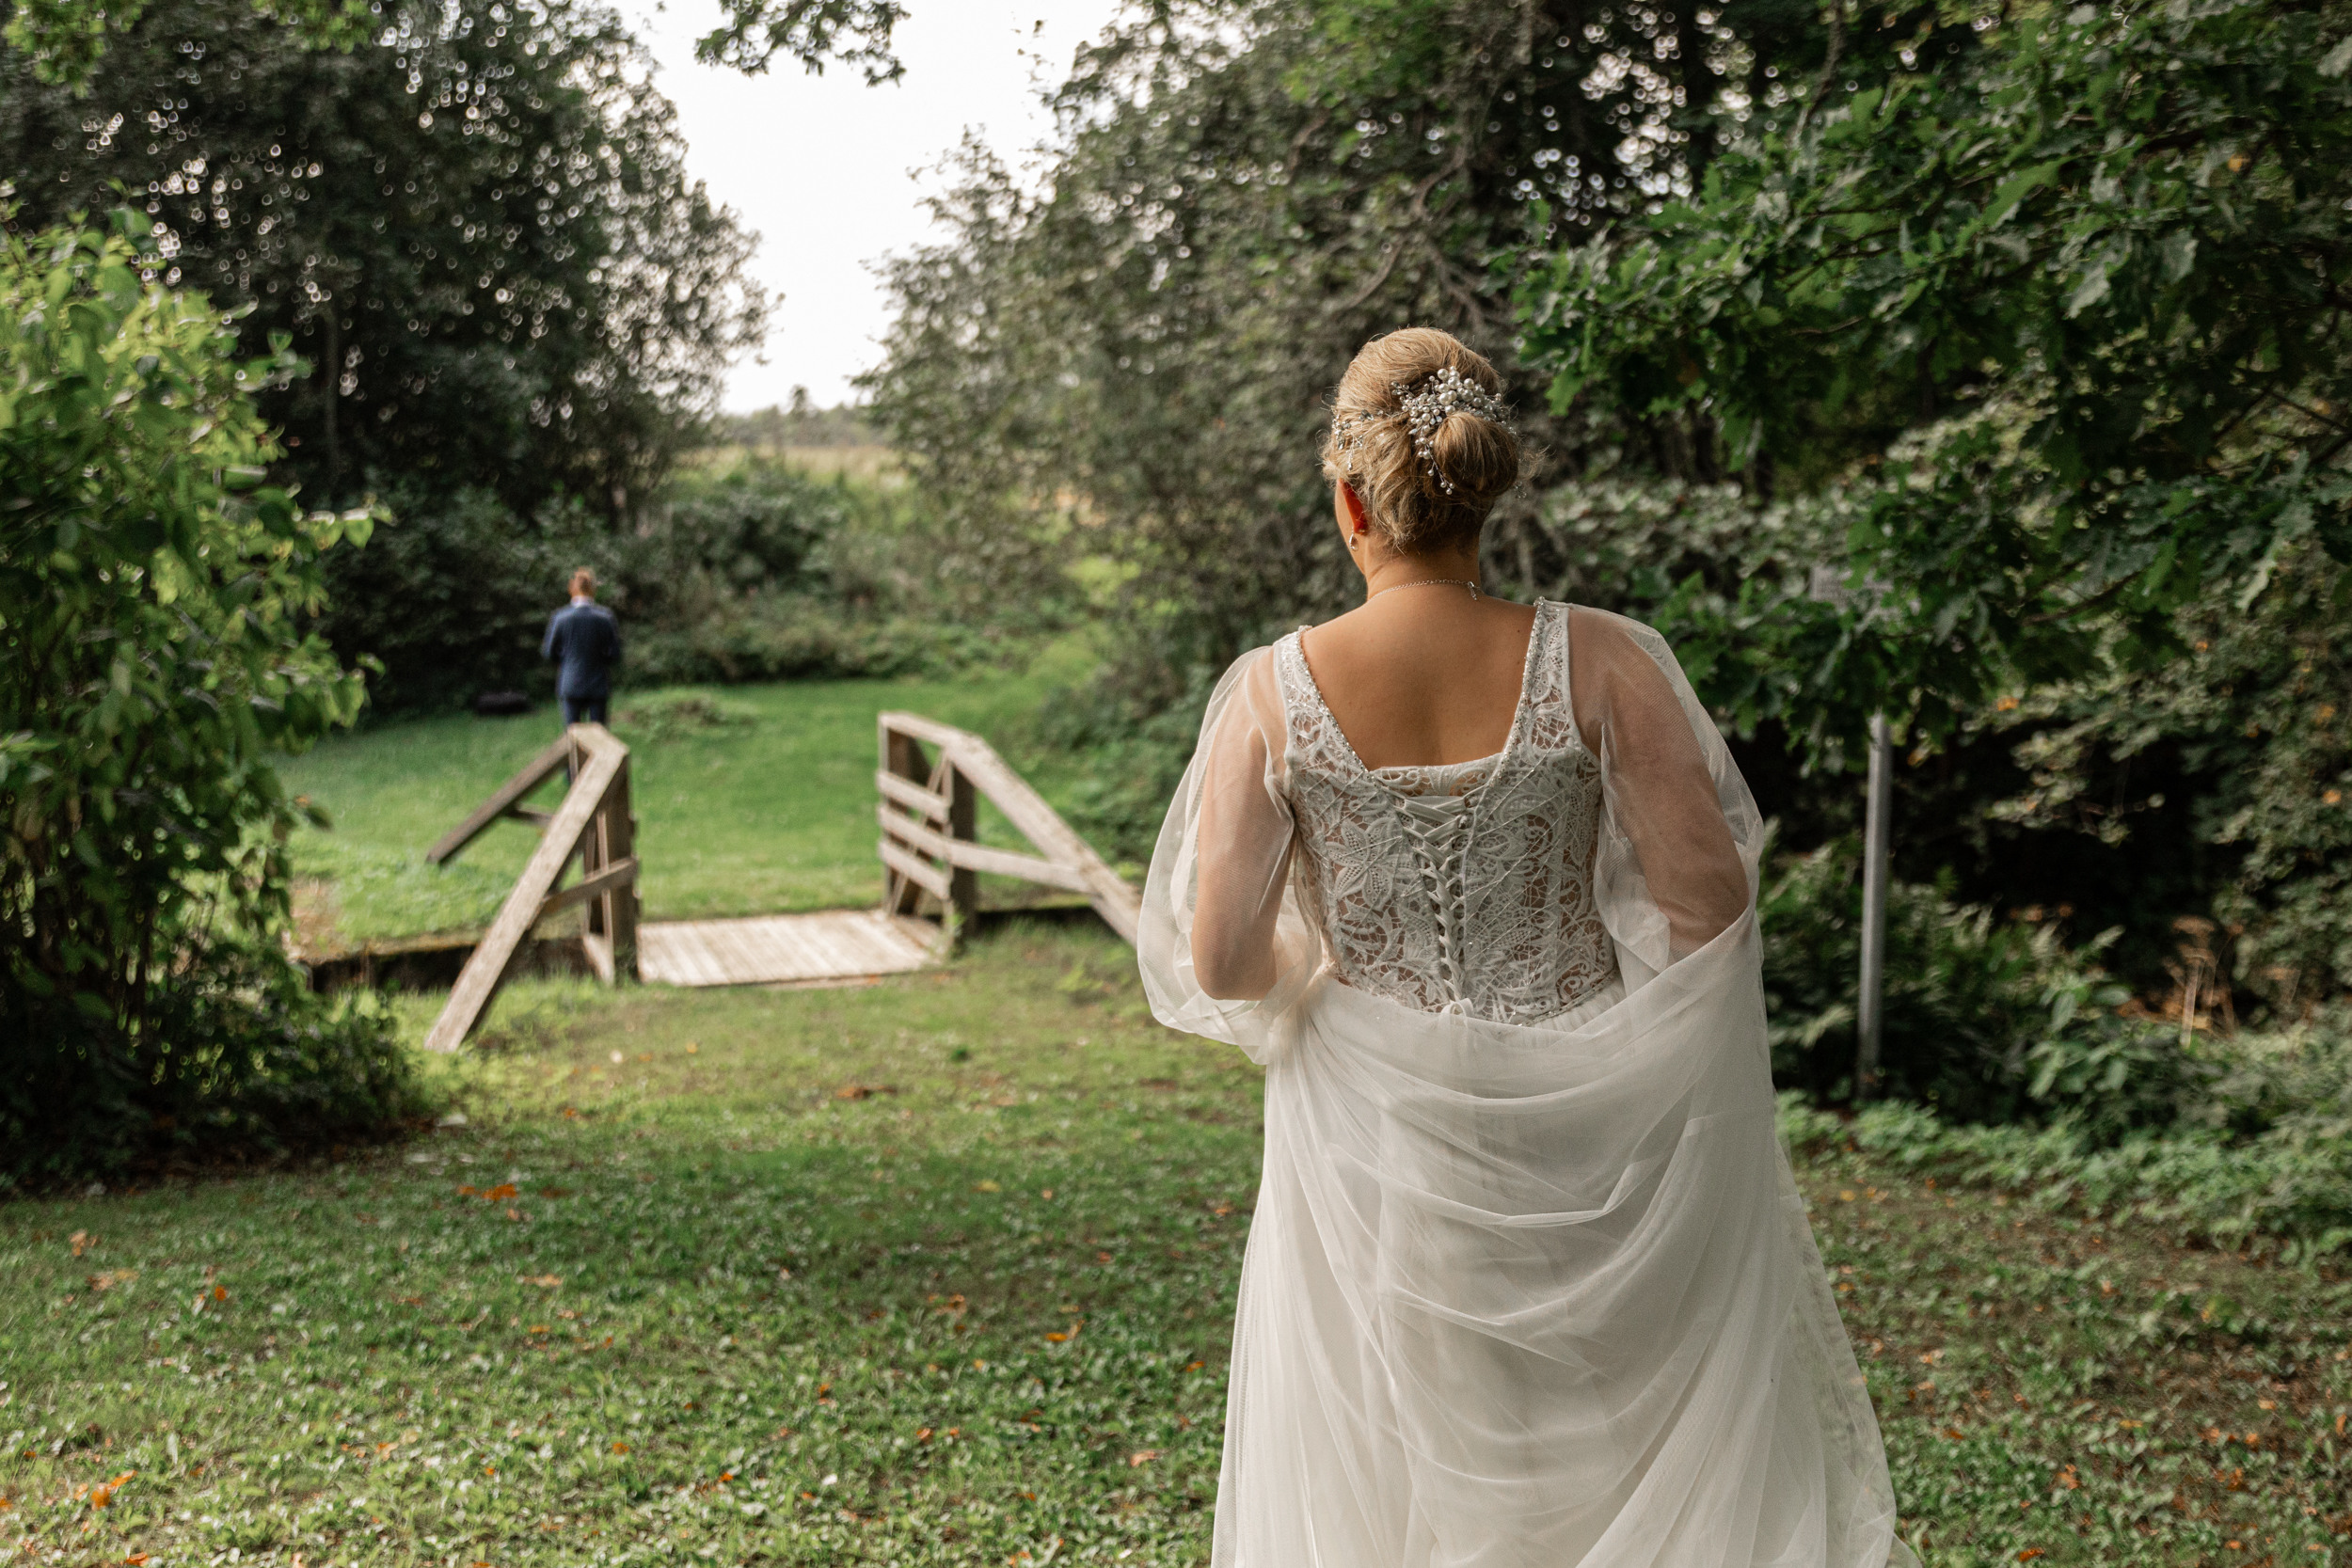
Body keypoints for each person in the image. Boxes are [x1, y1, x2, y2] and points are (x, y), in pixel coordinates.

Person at [1138, 328, 1914, 1568]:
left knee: (1391, 1431)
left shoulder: (1273, 694)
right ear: (1485, 488)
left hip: (1369, 1139)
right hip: (1581, 1123)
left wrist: (1329, 967)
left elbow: (1222, 962)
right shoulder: (1602, 658)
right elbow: (1709, 908)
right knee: (1601, 1414)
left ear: (1350, 494)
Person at [542, 568, 621, 726]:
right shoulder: (605, 618)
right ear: (593, 589)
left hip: (570, 682)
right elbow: (615, 653)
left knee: (572, 738)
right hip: (598, 683)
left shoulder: (560, 618)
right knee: (600, 738)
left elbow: (549, 652)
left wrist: (565, 662)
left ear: (571, 587)